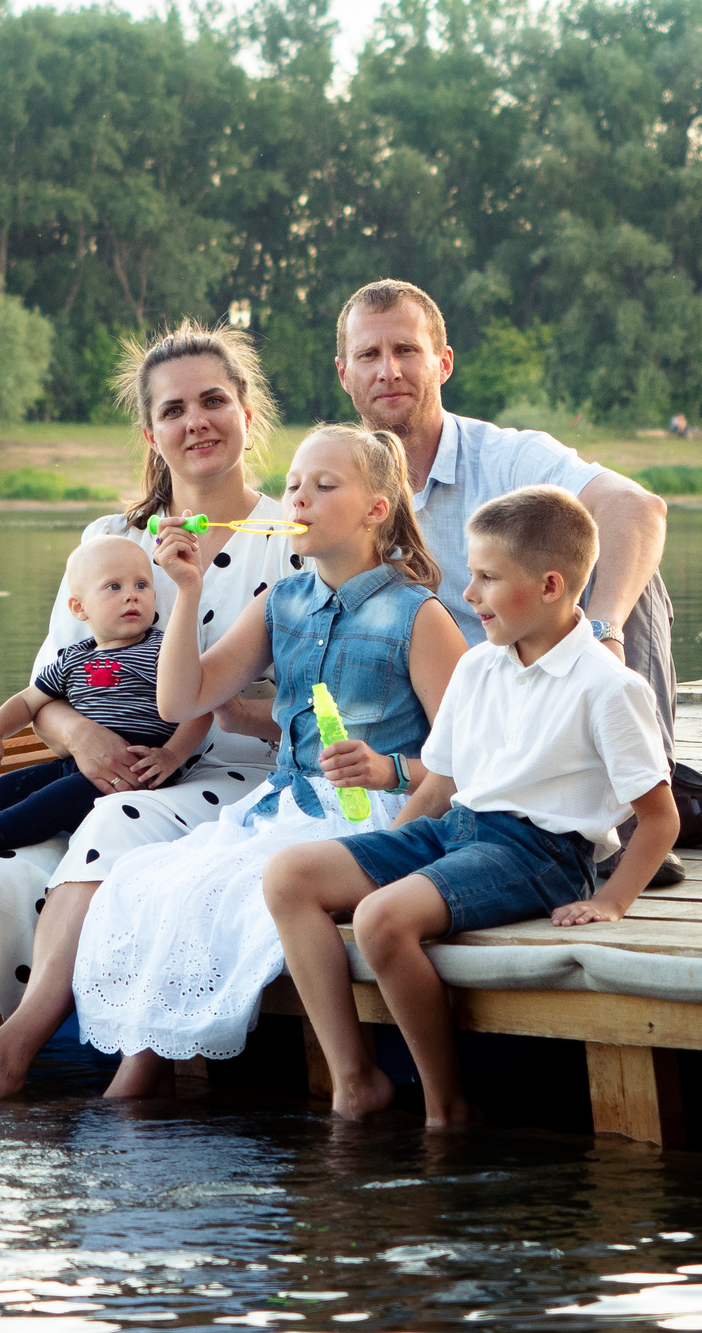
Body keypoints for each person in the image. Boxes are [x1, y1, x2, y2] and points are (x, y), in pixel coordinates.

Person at [0, 325, 294, 1101]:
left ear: (248, 413)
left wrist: (215, 716)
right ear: (152, 432)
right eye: (175, 409)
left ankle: (15, 1054)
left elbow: (322, 707)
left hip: (236, 786)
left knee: (110, 829)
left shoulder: (293, 541)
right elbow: (47, 688)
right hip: (105, 776)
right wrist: (82, 737)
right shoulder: (112, 541)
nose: (198, 422)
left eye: (215, 400)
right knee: (8, 876)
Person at [67, 424, 467, 1092]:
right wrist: (187, 592)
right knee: (147, 880)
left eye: (323, 485)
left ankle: (348, 1079)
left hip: (385, 812)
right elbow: (180, 700)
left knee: (236, 887)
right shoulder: (281, 603)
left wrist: (389, 770)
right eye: (291, 486)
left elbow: (474, 760)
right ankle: (138, 1086)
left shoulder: (416, 616)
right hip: (287, 809)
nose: (298, 500)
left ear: (376, 510)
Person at [264, 484, 677, 1126]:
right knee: (289, 875)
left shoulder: (609, 686)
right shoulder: (480, 667)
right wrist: (380, 858)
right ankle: (356, 1079)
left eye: (487, 577)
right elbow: (437, 786)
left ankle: (446, 1104)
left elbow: (659, 817)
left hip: (539, 852)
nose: (469, 593)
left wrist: (610, 900)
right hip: (458, 829)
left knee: (381, 921)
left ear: (549, 585)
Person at [331, 279, 702, 852]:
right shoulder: (335, 487)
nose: (389, 370)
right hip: (449, 728)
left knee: (616, 566)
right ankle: (660, 803)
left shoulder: (505, 458)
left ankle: (636, 815)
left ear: (443, 363)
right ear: (344, 374)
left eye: (406, 351)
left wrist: (604, 635)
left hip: (554, 700)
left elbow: (638, 509)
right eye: (369, 355)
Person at [0, 537, 209, 916]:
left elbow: (199, 707)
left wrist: (171, 755)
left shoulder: (162, 649)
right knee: (6, 786)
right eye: (114, 587)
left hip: (137, 771)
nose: (132, 596)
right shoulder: (72, 659)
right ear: (78, 607)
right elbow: (28, 701)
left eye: (142, 586)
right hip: (79, 765)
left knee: (59, 798)